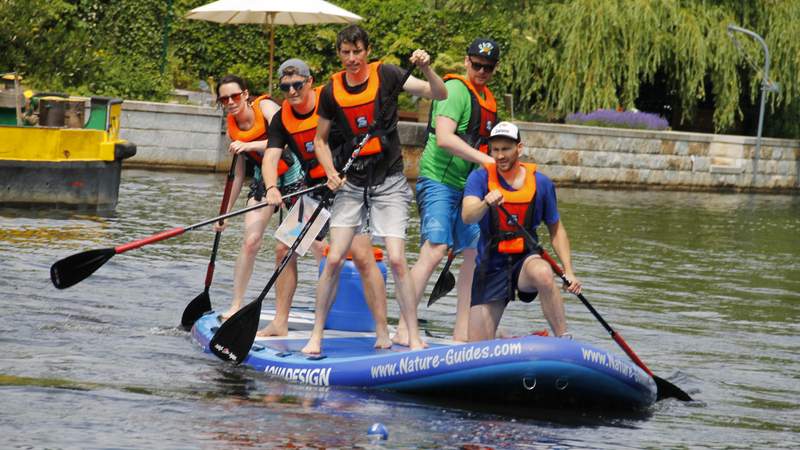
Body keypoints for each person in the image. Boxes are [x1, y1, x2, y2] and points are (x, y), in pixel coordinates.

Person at [301, 24, 447, 354]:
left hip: (389, 181)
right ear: (339, 54)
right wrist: (329, 171)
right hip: (351, 183)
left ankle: (412, 334)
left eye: (357, 51)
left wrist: (426, 67)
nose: (352, 58)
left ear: (367, 50)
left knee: (396, 259)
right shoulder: (330, 91)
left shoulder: (390, 74)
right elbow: (319, 141)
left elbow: (439, 94)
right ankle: (316, 336)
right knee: (335, 257)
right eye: (346, 53)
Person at [260, 58, 391, 346]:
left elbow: (361, 133)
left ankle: (382, 331)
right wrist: (271, 187)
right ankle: (280, 322)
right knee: (284, 248)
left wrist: (342, 172)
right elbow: (271, 157)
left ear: (309, 81)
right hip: (317, 190)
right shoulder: (282, 118)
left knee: (361, 256)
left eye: (297, 85)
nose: (292, 91)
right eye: (285, 87)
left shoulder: (328, 100)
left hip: (351, 185)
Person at [397, 38, 501, 343]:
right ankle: (404, 328)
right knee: (436, 249)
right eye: (477, 65)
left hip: (468, 188)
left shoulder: (488, 99)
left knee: (472, 254)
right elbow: (444, 138)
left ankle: (462, 333)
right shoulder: (456, 90)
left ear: (494, 69)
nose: (481, 71)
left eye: (488, 67)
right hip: (438, 181)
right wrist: (486, 160)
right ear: (467, 61)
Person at [461, 122, 582, 341]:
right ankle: (507, 338)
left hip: (525, 260)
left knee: (544, 273)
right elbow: (467, 215)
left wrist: (568, 271)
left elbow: (556, 230)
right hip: (491, 264)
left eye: (505, 149)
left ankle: (564, 338)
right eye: (495, 149)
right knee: (477, 345)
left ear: (519, 148)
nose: (499, 156)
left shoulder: (541, 183)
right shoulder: (478, 179)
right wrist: (485, 203)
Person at [213, 74, 305, 322]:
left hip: (296, 174)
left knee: (310, 247)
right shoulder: (233, 127)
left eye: (234, 96)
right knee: (251, 241)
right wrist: (225, 213)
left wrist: (249, 145)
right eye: (224, 99)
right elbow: (239, 174)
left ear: (245, 94)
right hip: (264, 179)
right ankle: (236, 304)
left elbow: (286, 142)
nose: (230, 102)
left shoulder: (265, 107)